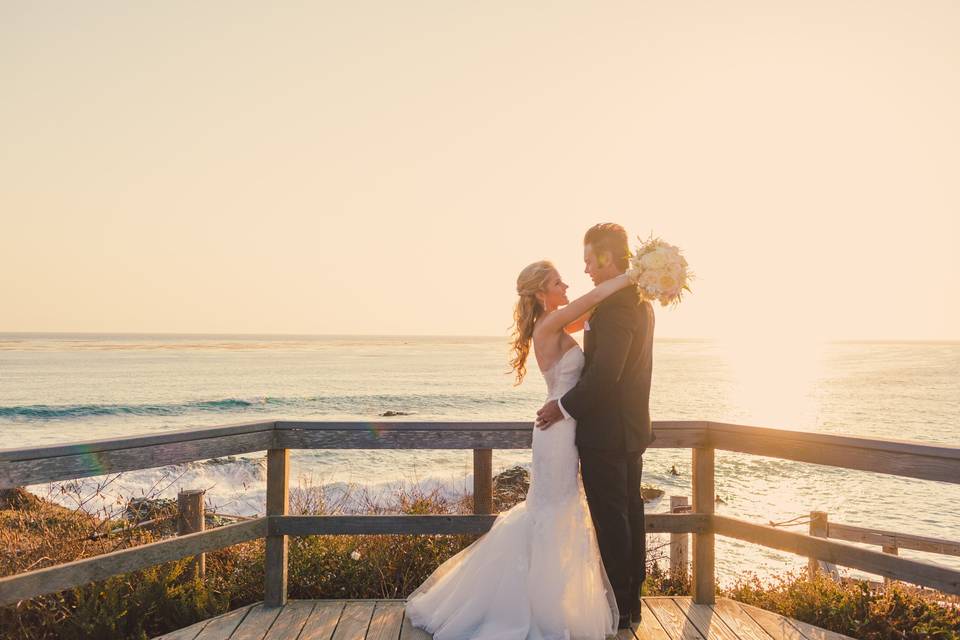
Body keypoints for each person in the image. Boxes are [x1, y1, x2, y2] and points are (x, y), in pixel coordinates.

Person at [405, 259, 633, 640]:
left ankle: (552, 601)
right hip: (557, 430)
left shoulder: (556, 321)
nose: (567, 286)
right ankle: (539, 608)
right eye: (559, 282)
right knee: (555, 510)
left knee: (554, 510)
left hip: (561, 426)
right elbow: (593, 298)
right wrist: (634, 275)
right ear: (542, 292)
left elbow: (594, 309)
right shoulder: (550, 324)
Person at [535, 223, 655, 629]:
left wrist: (562, 407)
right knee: (629, 514)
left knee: (612, 517)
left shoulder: (618, 306)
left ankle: (621, 608)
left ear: (606, 258)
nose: (585, 268)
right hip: (629, 430)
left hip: (607, 433)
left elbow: (607, 375)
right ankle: (630, 602)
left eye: (588, 259)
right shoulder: (638, 301)